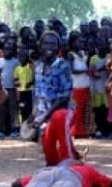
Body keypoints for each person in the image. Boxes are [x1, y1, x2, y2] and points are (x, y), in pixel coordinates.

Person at [32, 31, 79, 166]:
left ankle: (69, 162)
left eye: (53, 44)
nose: (49, 47)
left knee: (59, 117)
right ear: (40, 46)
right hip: (44, 115)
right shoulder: (37, 66)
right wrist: (33, 115)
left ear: (58, 47)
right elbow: (37, 93)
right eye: (46, 43)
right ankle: (73, 155)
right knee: (50, 160)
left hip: (63, 111)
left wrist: (44, 116)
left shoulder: (62, 65)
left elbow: (65, 97)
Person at [67, 33, 92, 138]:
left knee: (85, 110)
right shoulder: (71, 55)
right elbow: (72, 70)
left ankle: (83, 131)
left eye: (82, 41)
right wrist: (86, 70)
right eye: (79, 41)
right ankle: (75, 131)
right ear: (73, 43)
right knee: (77, 110)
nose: (81, 43)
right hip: (77, 86)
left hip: (86, 85)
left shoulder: (83, 53)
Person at [0, 41, 20, 138]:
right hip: (1, 89)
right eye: (6, 49)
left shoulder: (16, 62)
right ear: (2, 50)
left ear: (13, 51)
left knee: (12, 110)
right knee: (0, 110)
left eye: (10, 49)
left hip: (12, 89)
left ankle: (13, 130)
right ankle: (0, 130)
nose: (8, 51)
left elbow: (18, 76)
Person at [14, 48, 34, 126]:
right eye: (20, 56)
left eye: (24, 56)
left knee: (29, 109)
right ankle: (23, 125)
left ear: (27, 57)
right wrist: (17, 93)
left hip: (29, 91)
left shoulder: (30, 66)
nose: (21, 58)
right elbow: (16, 82)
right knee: (22, 109)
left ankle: (29, 125)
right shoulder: (17, 69)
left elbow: (35, 77)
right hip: (21, 92)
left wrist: (31, 83)